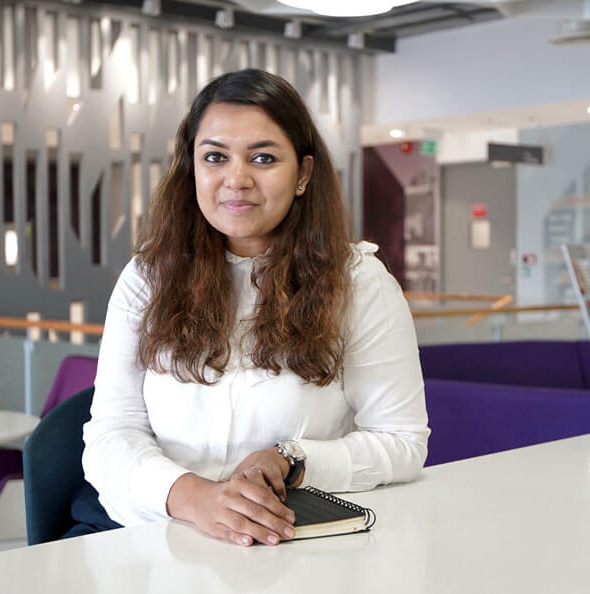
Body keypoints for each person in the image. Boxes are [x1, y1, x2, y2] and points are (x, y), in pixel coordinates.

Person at [82, 69, 429, 547]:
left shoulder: (359, 283)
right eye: (215, 157)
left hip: (300, 549)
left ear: (303, 174)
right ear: (192, 170)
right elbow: (110, 435)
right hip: (159, 541)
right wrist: (194, 497)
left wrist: (294, 459)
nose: (236, 179)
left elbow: (402, 443)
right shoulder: (147, 279)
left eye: (263, 158)